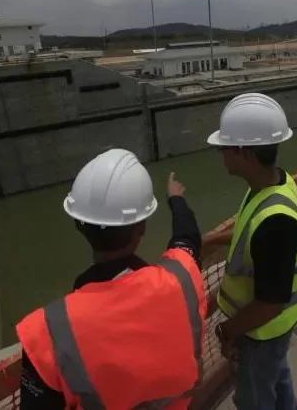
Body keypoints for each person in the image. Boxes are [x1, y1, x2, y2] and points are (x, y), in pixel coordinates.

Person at [16, 148, 206, 410]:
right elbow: (188, 238)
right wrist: (176, 200)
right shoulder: (182, 278)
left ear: (79, 225)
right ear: (142, 228)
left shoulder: (46, 332)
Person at [204, 93, 297, 410]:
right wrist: (212, 240)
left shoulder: (276, 224)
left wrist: (226, 330)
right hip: (271, 331)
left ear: (244, 154)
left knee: (254, 398)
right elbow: (251, 233)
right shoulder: (275, 183)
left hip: (260, 332)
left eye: (224, 148)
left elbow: (269, 305)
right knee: (277, 377)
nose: (221, 155)